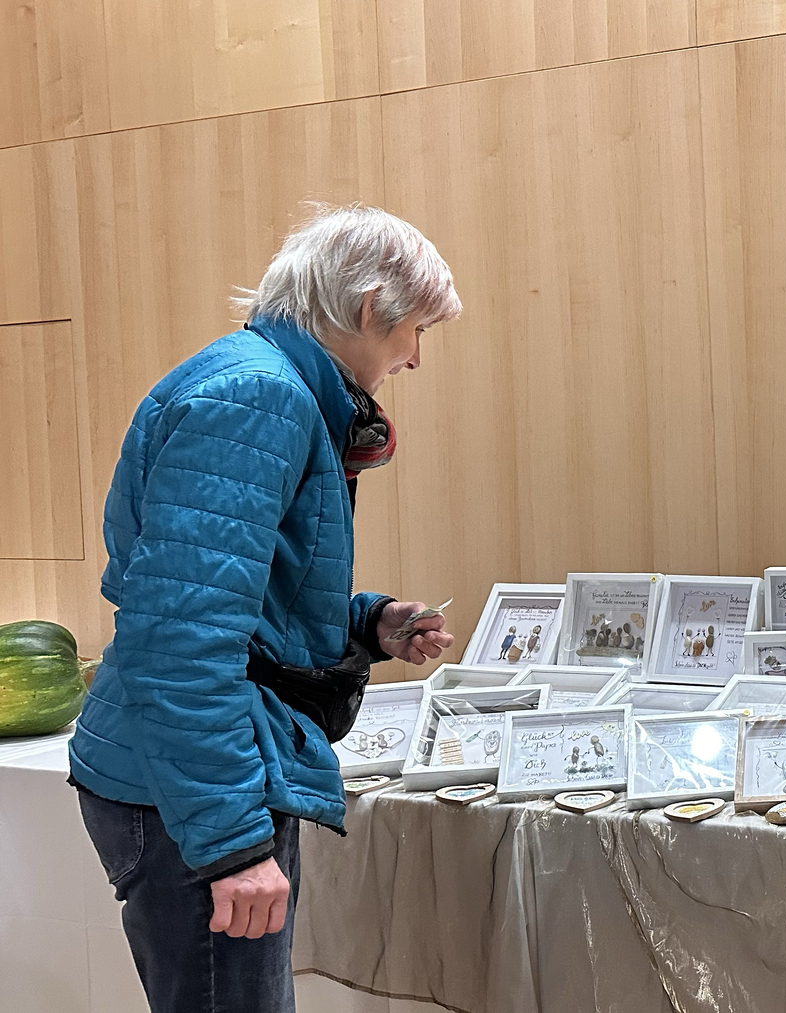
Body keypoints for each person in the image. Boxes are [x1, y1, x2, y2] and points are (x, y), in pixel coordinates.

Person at [65, 204, 462, 1013]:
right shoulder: (260, 397)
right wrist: (233, 845)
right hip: (194, 785)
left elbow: (233, 602)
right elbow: (180, 636)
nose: (416, 357)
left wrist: (367, 622)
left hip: (191, 769)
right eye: (416, 329)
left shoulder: (261, 383)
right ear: (368, 307)